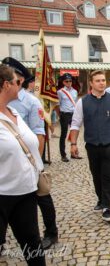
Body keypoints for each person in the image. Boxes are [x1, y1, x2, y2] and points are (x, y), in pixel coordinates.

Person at [4, 57, 59, 250]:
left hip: (30, 160)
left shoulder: (31, 102)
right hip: (8, 164)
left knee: (43, 197)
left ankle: (51, 232)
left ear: (20, 79)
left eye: (15, 77)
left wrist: (37, 163)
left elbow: (39, 134)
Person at [0, 64, 46, 265]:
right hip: (2, 193)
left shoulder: (14, 113)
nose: (22, 85)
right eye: (18, 82)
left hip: (25, 192)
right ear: (5, 85)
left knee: (33, 246)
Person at [70, 70, 110, 222]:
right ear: (91, 83)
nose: (102, 83)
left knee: (107, 176)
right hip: (92, 144)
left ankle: (107, 207)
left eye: (103, 80)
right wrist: (73, 143)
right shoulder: (82, 102)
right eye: (98, 81)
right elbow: (76, 124)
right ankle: (100, 199)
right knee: (96, 175)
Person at [57, 73, 80, 162]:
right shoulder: (60, 92)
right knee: (63, 134)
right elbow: (58, 105)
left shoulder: (75, 91)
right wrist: (60, 115)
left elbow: (76, 103)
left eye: (70, 81)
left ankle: (74, 153)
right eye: (66, 81)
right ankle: (63, 155)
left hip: (73, 114)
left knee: (74, 133)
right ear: (63, 82)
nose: (69, 83)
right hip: (65, 114)